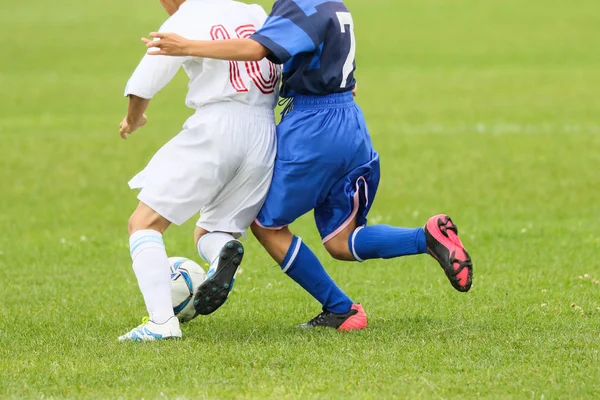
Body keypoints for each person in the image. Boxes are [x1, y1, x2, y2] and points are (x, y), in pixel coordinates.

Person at [143, 0, 473, 332]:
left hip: (312, 127)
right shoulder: (334, 4)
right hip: (350, 122)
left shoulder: (299, 5)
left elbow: (256, 49)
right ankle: (427, 238)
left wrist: (185, 46)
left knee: (266, 226)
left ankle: (341, 309)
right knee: (342, 241)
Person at [117, 0, 279, 341]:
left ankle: (161, 323)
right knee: (212, 229)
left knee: (143, 223)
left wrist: (133, 120)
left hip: (218, 125)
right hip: (265, 132)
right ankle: (221, 252)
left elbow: (143, 82)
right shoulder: (256, 13)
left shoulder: (187, 15)